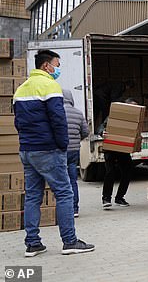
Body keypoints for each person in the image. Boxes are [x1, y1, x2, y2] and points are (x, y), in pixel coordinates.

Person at [13, 49, 94, 256]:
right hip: (49, 149)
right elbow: (58, 120)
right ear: (46, 66)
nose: (58, 69)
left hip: (27, 150)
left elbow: (17, 123)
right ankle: (70, 242)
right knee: (64, 193)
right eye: (57, 65)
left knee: (32, 196)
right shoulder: (50, 86)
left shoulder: (21, 89)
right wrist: (62, 145)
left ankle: (32, 244)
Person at [101, 98, 137, 209]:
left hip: (123, 149)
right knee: (110, 172)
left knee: (127, 171)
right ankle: (106, 198)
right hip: (111, 148)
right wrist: (102, 132)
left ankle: (119, 197)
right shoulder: (115, 116)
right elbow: (101, 127)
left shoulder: (134, 120)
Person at [62, 89, 89, 217]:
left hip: (60, 150)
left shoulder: (56, 112)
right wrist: (77, 139)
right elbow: (85, 132)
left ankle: (62, 209)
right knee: (73, 180)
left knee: (60, 180)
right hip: (74, 151)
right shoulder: (78, 113)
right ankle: (75, 209)